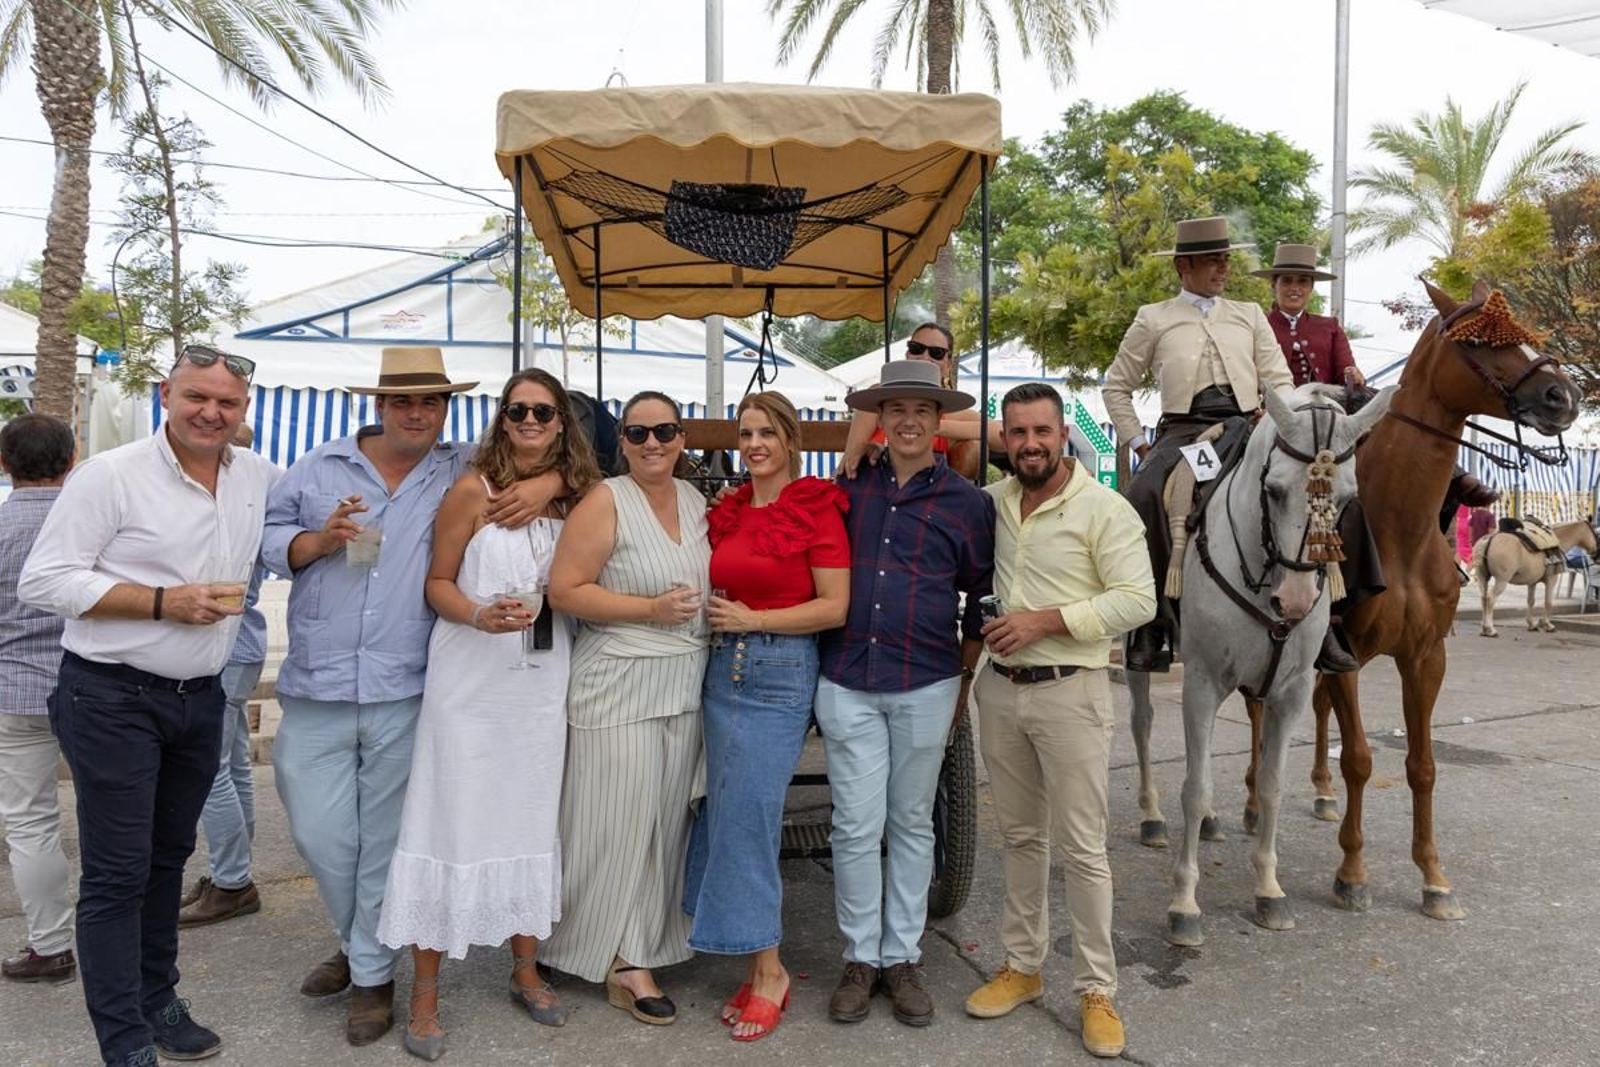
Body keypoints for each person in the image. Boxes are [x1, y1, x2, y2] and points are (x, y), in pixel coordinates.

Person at [261, 347, 560, 1047]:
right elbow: (269, 541)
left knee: (385, 843)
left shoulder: (461, 469)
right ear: (379, 404)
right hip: (319, 681)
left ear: (447, 409)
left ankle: (371, 974)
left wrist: (549, 481)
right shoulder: (319, 466)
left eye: (431, 401)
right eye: (403, 400)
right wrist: (317, 540)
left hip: (405, 685)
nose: (417, 413)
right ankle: (360, 940)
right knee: (321, 835)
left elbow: (546, 460)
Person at [19, 345, 280, 1067]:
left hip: (199, 698)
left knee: (168, 858)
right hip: (111, 696)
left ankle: (157, 997)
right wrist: (163, 602)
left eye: (227, 403)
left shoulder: (257, 475)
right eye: (197, 397)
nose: (211, 413)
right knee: (117, 873)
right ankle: (124, 1039)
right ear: (167, 394)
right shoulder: (111, 474)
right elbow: (45, 580)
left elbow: (311, 519)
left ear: (244, 409)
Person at [378, 369, 603, 1060]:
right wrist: (477, 613)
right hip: (470, 682)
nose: (530, 422)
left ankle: (525, 969)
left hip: (540, 682)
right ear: (502, 419)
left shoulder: (579, 497)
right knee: (447, 821)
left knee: (529, 818)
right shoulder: (473, 490)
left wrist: (553, 482)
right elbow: (437, 581)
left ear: (562, 422)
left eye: (544, 412)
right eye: (517, 411)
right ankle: (424, 993)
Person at [963, 383, 1155, 1059]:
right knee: (1020, 837)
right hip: (1000, 691)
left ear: (1063, 431)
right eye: (1017, 433)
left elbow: (1138, 599)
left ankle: (1096, 988)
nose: (1030, 444)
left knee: (1082, 848)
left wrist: (1045, 621)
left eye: (1041, 431)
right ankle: (1023, 965)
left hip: (1071, 692)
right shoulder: (993, 502)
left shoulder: (1105, 508)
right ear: (1004, 437)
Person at [817, 360, 994, 1028]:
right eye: (897, 409)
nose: (910, 421)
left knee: (912, 821)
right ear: (880, 418)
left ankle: (901, 956)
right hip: (847, 676)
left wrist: (966, 677)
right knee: (855, 825)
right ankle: (861, 956)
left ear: (938, 420)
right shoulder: (846, 487)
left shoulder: (967, 503)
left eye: (922, 409)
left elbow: (982, 594)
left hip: (927, 677)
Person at [684, 391, 851, 1042]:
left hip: (780, 671)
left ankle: (771, 971)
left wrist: (755, 618)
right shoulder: (729, 511)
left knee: (750, 818)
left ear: (790, 441)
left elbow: (834, 606)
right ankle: (755, 963)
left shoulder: (815, 508)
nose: (754, 444)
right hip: (720, 671)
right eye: (746, 433)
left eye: (767, 433)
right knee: (723, 811)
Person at [544, 390, 710, 1025]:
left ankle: (641, 942)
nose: (652, 444)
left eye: (663, 431)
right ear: (622, 443)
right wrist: (650, 610)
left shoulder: (694, 501)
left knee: (664, 824)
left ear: (681, 438)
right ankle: (619, 959)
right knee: (615, 823)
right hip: (617, 680)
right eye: (637, 433)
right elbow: (564, 591)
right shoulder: (605, 500)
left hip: (683, 681)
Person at [1101, 215, 1293, 672]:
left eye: (1225, 259)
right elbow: (1116, 386)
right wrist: (1139, 444)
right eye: (1213, 260)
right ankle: (1151, 624)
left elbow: (1279, 378)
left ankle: (1330, 617)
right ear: (1182, 267)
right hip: (1184, 431)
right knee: (1143, 495)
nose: (1224, 268)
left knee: (1315, 485)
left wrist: (1279, 421)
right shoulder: (1153, 318)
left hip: (1246, 424)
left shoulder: (1249, 314)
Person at [179, 423, 270, 928]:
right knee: (231, 766)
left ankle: (233, 879)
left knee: (211, 769)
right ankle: (230, 873)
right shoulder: (252, 501)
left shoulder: (229, 506)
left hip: (223, 645)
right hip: (244, 642)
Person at [0, 414, 77, 986]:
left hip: (15, 690)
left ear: (4, 464)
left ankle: (51, 946)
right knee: (114, 819)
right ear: (72, 461)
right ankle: (122, 939)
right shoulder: (91, 524)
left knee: (30, 824)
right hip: (94, 685)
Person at [839, 322, 1003, 477]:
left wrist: (933, 426)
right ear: (907, 354)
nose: (924, 357)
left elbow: (1003, 436)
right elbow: (850, 459)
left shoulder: (951, 411)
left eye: (936, 353)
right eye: (916, 348)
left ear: (948, 364)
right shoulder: (879, 396)